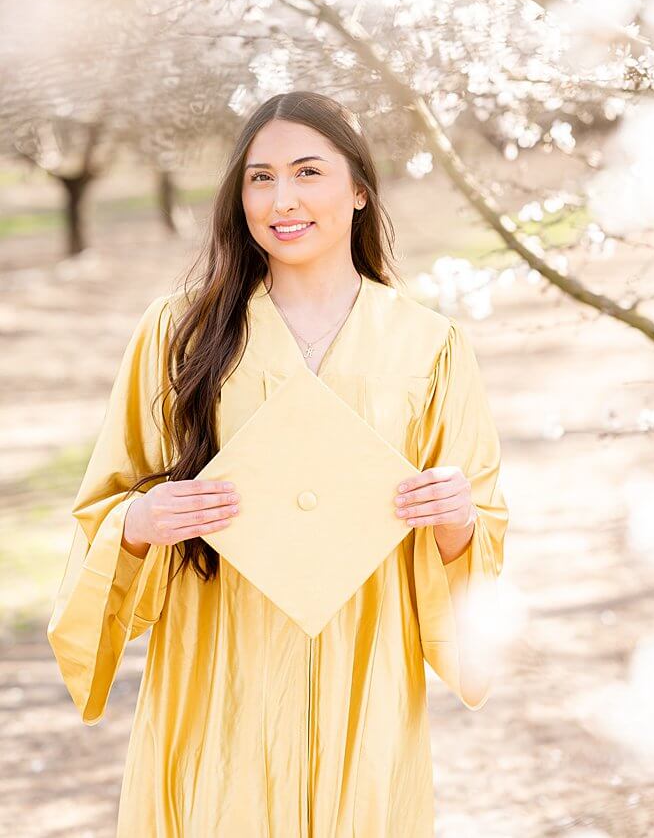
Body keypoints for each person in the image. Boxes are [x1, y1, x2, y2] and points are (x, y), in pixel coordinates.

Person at [47, 90, 508, 837]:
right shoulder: (178, 332)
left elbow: (477, 535)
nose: (281, 198)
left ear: (358, 189)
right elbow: (106, 504)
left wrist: (455, 518)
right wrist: (140, 519)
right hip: (217, 661)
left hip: (366, 662)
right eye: (260, 177)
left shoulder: (428, 345)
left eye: (307, 172)